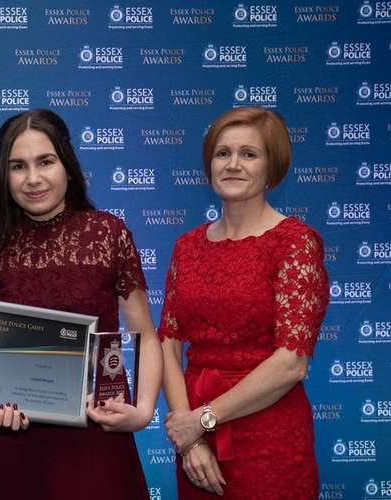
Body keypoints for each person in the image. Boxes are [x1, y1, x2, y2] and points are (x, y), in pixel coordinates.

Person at [0, 108, 163, 499]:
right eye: (18, 166)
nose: (33, 178)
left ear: (67, 165)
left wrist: (143, 410)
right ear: (5, 175)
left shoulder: (107, 233)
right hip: (15, 439)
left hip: (97, 430)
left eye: (45, 162)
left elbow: (147, 336)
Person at [159, 106, 329, 498]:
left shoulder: (295, 243)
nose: (233, 164)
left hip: (269, 438)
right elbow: (168, 343)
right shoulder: (187, 246)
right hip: (197, 448)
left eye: (249, 154)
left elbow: (291, 362)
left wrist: (202, 420)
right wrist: (191, 439)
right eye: (223, 153)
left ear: (272, 167)